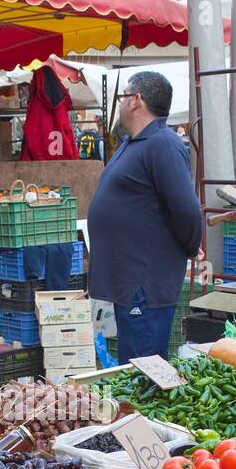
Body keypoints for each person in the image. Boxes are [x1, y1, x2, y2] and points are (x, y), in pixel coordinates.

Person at [87, 70, 202, 362]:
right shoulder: (132, 142)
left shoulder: (163, 143)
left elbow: (187, 209)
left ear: (136, 100)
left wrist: (190, 246)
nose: (121, 102)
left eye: (124, 95)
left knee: (143, 371)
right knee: (133, 366)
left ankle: (142, 411)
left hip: (145, 284)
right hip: (128, 281)